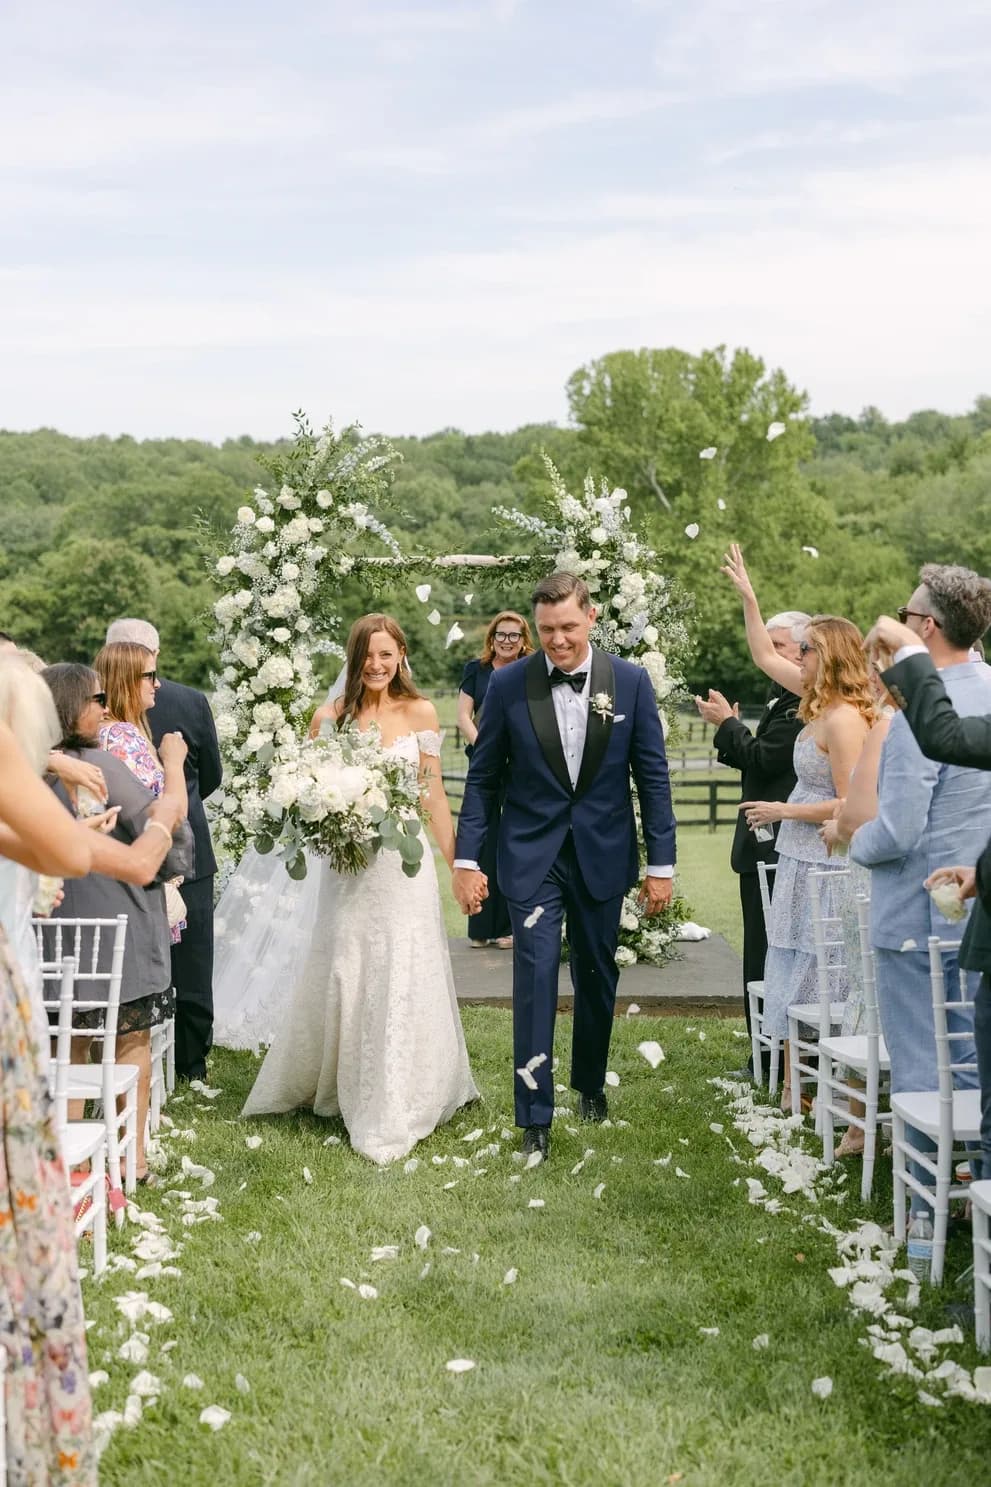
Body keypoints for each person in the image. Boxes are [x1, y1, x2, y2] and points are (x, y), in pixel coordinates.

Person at [452, 572, 676, 1161]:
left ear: (592, 618)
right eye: (547, 629)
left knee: (599, 976)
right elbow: (483, 780)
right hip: (531, 857)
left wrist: (663, 863)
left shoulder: (629, 683)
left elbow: (652, 777)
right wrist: (466, 859)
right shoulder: (507, 685)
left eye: (568, 628)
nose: (557, 641)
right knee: (535, 975)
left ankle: (590, 1085)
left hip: (603, 855)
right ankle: (535, 1114)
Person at [241, 614, 479, 1164]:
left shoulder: (420, 712)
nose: (376, 665)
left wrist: (457, 862)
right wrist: (331, 819)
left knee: (403, 962)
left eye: (386, 655)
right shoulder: (328, 718)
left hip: (402, 869)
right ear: (354, 657)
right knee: (346, 963)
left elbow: (432, 795)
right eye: (367, 655)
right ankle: (341, 1081)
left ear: (401, 656)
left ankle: (406, 1089)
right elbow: (305, 796)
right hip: (348, 871)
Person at [720, 544, 875, 1110]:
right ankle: (792, 1089)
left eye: (805, 649)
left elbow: (847, 802)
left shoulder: (843, 718)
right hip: (797, 855)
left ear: (824, 656)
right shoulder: (813, 701)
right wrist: (749, 598)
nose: (797, 658)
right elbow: (764, 653)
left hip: (828, 859)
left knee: (822, 969)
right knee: (787, 958)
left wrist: (784, 811)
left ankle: (826, 1090)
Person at [42, 662, 192, 1184]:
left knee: (69, 1046)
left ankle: (73, 1165)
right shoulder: (102, 763)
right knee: (133, 1043)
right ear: (68, 707)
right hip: (120, 936)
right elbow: (160, 824)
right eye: (95, 698)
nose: (104, 707)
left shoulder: (25, 777)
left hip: (54, 945)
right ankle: (135, 1160)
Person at [868, 583, 991, 1183]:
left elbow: (897, 831)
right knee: (973, 1062)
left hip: (919, 912)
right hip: (977, 908)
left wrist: (848, 839)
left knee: (922, 1065)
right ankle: (973, 1190)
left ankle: (921, 1214)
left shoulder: (919, 713)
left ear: (928, 627)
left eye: (904, 616)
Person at [106, 619, 223, 1082]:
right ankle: (190, 1065)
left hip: (117, 852)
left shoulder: (90, 706)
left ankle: (129, 1068)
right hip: (183, 850)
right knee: (192, 962)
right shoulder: (190, 701)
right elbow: (211, 776)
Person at [694, 610, 808, 1080]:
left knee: (766, 953)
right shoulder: (782, 698)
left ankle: (771, 1059)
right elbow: (758, 762)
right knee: (757, 954)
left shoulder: (802, 706)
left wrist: (727, 725)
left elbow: (764, 758)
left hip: (778, 843)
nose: (770, 656)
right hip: (764, 838)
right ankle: (763, 1053)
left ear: (803, 652)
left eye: (778, 647)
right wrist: (733, 729)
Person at [457, 610, 534, 949]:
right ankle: (480, 927)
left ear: (523, 640)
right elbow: (463, 716)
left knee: (511, 842)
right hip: (484, 762)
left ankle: (508, 927)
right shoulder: (476, 670)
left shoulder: (531, 671)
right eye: (501, 634)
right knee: (483, 841)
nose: (506, 640)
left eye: (513, 635)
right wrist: (486, 748)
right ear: (492, 638)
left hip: (519, 766)